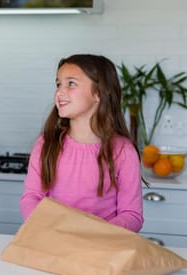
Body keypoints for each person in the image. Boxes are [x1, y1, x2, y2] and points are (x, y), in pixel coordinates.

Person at [20, 54, 144, 232]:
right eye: (58, 84)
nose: (60, 92)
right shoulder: (46, 144)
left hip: (102, 247)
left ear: (98, 93)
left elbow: (132, 215)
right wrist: (51, 228)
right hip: (53, 240)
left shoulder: (123, 151)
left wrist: (96, 233)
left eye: (71, 83)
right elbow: (31, 198)